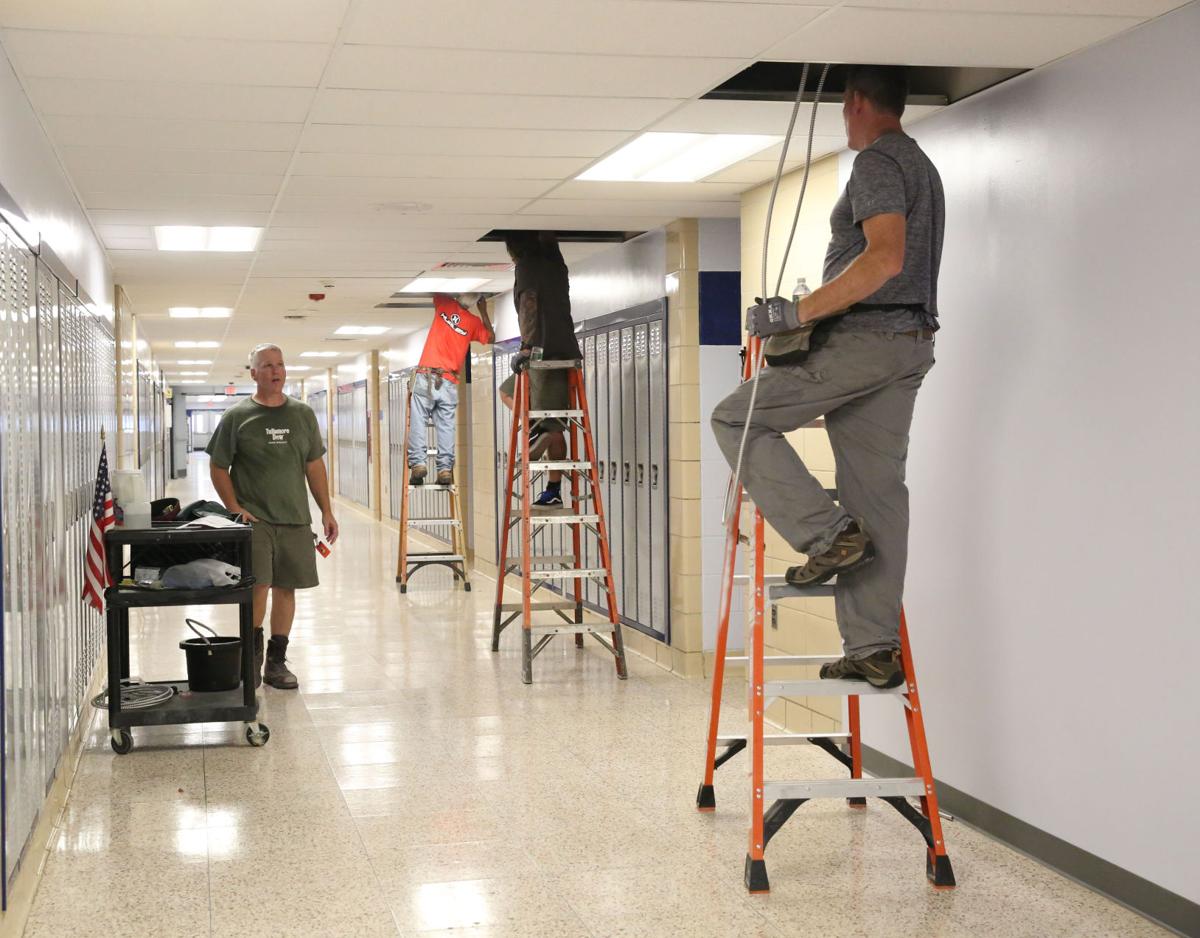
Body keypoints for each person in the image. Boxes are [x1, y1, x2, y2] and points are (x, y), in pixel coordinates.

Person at [711, 65, 944, 690]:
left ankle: (827, 533)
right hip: (908, 346)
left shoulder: (876, 163)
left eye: (846, 109)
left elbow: (885, 257)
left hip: (865, 340)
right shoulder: (921, 165)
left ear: (856, 103)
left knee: (735, 418)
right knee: (878, 496)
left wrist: (797, 312)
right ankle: (873, 647)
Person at [207, 343, 338, 690]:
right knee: (258, 587)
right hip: (256, 520)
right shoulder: (237, 416)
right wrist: (235, 509)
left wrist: (326, 509)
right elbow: (219, 466)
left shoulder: (302, 414)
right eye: (266, 366)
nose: (275, 371)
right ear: (253, 373)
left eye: (280, 364)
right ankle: (251, 658)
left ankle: (276, 662)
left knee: (286, 588)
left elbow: (314, 464)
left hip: (295, 518)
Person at [498, 231, 582, 507]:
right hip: (565, 348)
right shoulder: (555, 263)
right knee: (511, 392)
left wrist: (527, 346)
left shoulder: (526, 267)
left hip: (543, 352)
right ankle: (537, 428)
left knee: (553, 425)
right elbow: (550, 241)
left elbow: (528, 306)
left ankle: (541, 437)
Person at [408, 293, 495, 485]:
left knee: (418, 420)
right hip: (449, 381)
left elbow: (437, 292)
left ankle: (418, 464)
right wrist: (483, 311)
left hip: (427, 376)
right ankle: (445, 469)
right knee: (446, 426)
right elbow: (491, 337)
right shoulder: (473, 322)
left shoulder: (445, 304)